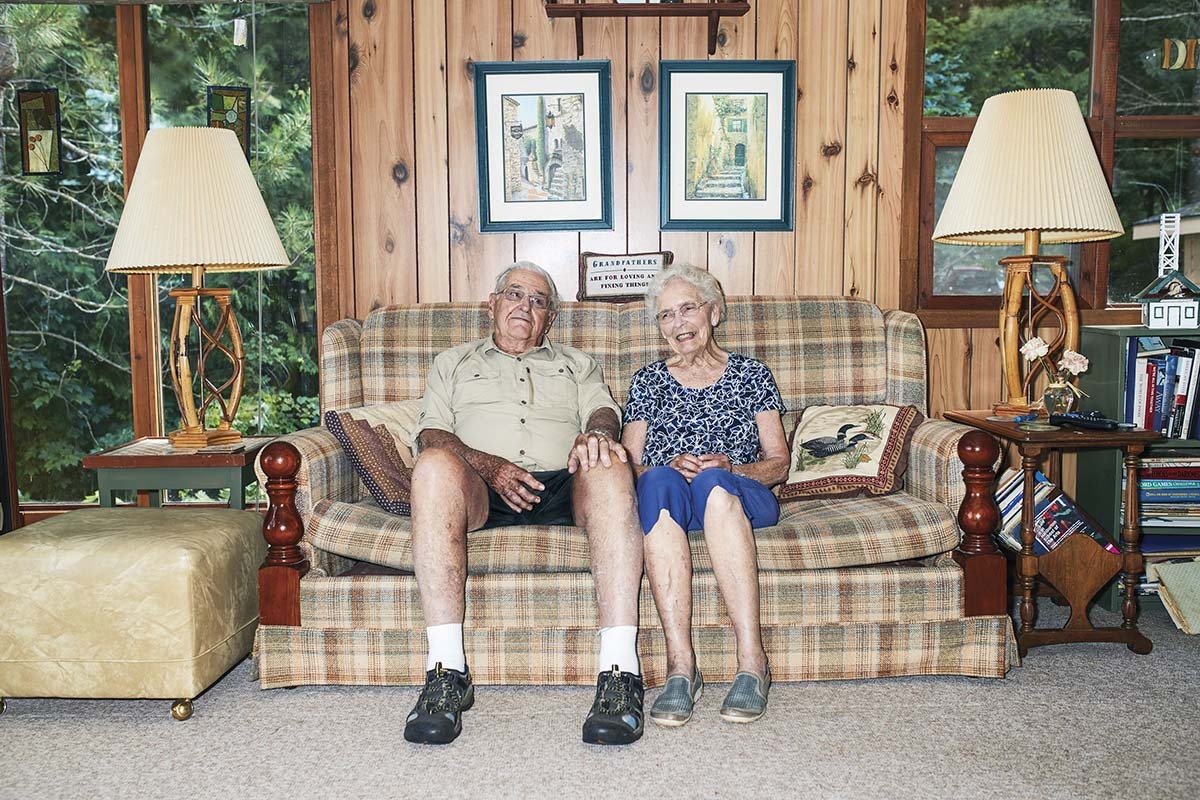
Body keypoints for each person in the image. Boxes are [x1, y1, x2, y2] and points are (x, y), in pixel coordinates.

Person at [404, 261, 646, 746]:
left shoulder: (578, 363)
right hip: (478, 482)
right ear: (492, 306)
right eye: (515, 295)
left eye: (538, 301)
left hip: (563, 480)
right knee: (432, 462)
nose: (525, 306)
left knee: (611, 463)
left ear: (549, 318)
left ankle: (620, 673)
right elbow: (431, 430)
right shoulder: (453, 361)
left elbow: (603, 409)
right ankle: (447, 671)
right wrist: (485, 464)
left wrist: (596, 435)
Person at [621, 264, 789, 727]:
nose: (678, 325)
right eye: (666, 316)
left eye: (687, 309)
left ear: (713, 313)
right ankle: (681, 668)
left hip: (739, 496)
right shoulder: (648, 381)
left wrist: (733, 467)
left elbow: (779, 461)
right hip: (671, 498)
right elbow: (629, 464)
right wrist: (663, 465)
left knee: (714, 485)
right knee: (654, 482)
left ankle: (752, 662)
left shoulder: (752, 374)